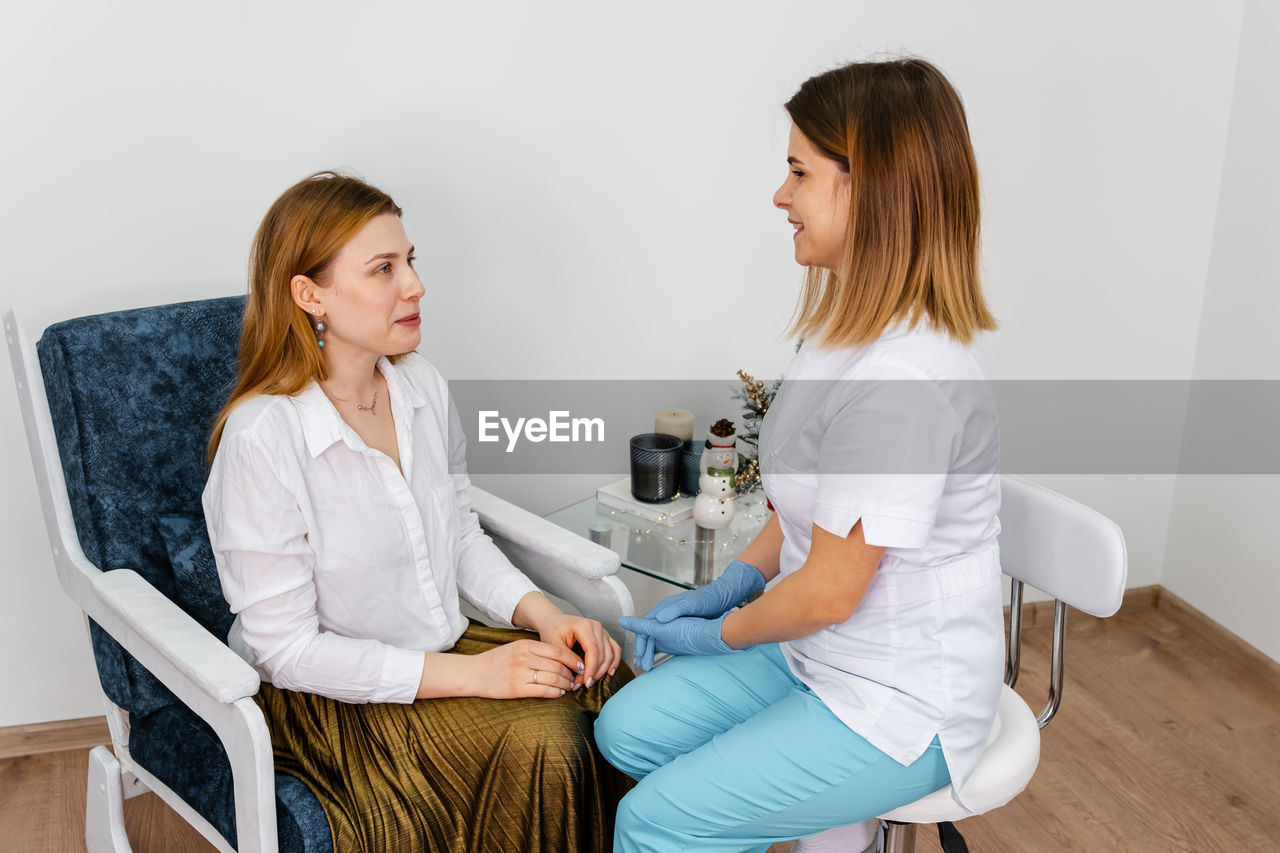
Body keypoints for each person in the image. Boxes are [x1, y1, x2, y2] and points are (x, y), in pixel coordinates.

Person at [594, 58, 1003, 853]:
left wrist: (723, 630)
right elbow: (798, 514)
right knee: (627, 730)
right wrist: (734, 583)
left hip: (896, 698)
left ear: (869, 187)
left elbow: (829, 593)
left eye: (798, 173)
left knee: (652, 823)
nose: (780, 197)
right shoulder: (840, 335)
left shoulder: (905, 380)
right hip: (816, 655)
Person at [203, 171, 630, 852]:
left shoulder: (420, 386)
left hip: (443, 646)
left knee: (608, 684)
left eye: (410, 261)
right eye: (383, 269)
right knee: (547, 740)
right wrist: (478, 677)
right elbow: (288, 651)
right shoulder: (264, 440)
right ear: (309, 294)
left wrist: (547, 615)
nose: (415, 285)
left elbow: (458, 533)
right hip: (337, 699)